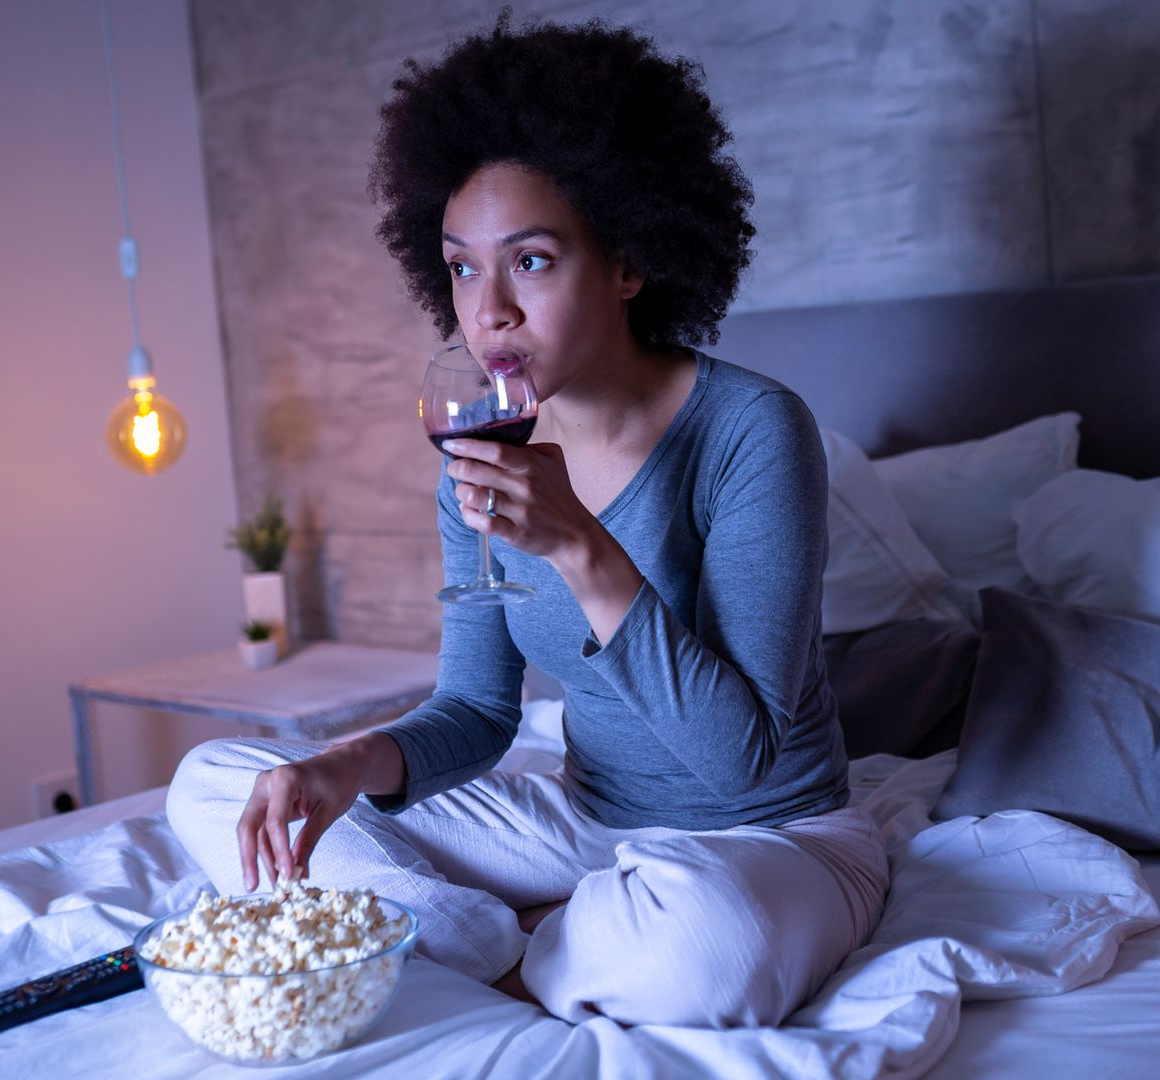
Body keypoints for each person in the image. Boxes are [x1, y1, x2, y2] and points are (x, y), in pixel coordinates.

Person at [167, 14, 888, 1029]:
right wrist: (345, 764)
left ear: (629, 259)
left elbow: (743, 762)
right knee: (220, 781)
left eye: (533, 261)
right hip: (586, 820)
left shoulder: (754, 431)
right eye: (462, 267)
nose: (488, 310)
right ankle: (486, 938)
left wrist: (582, 548)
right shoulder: (479, 449)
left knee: (705, 948)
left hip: (767, 838)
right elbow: (476, 712)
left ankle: (466, 941)